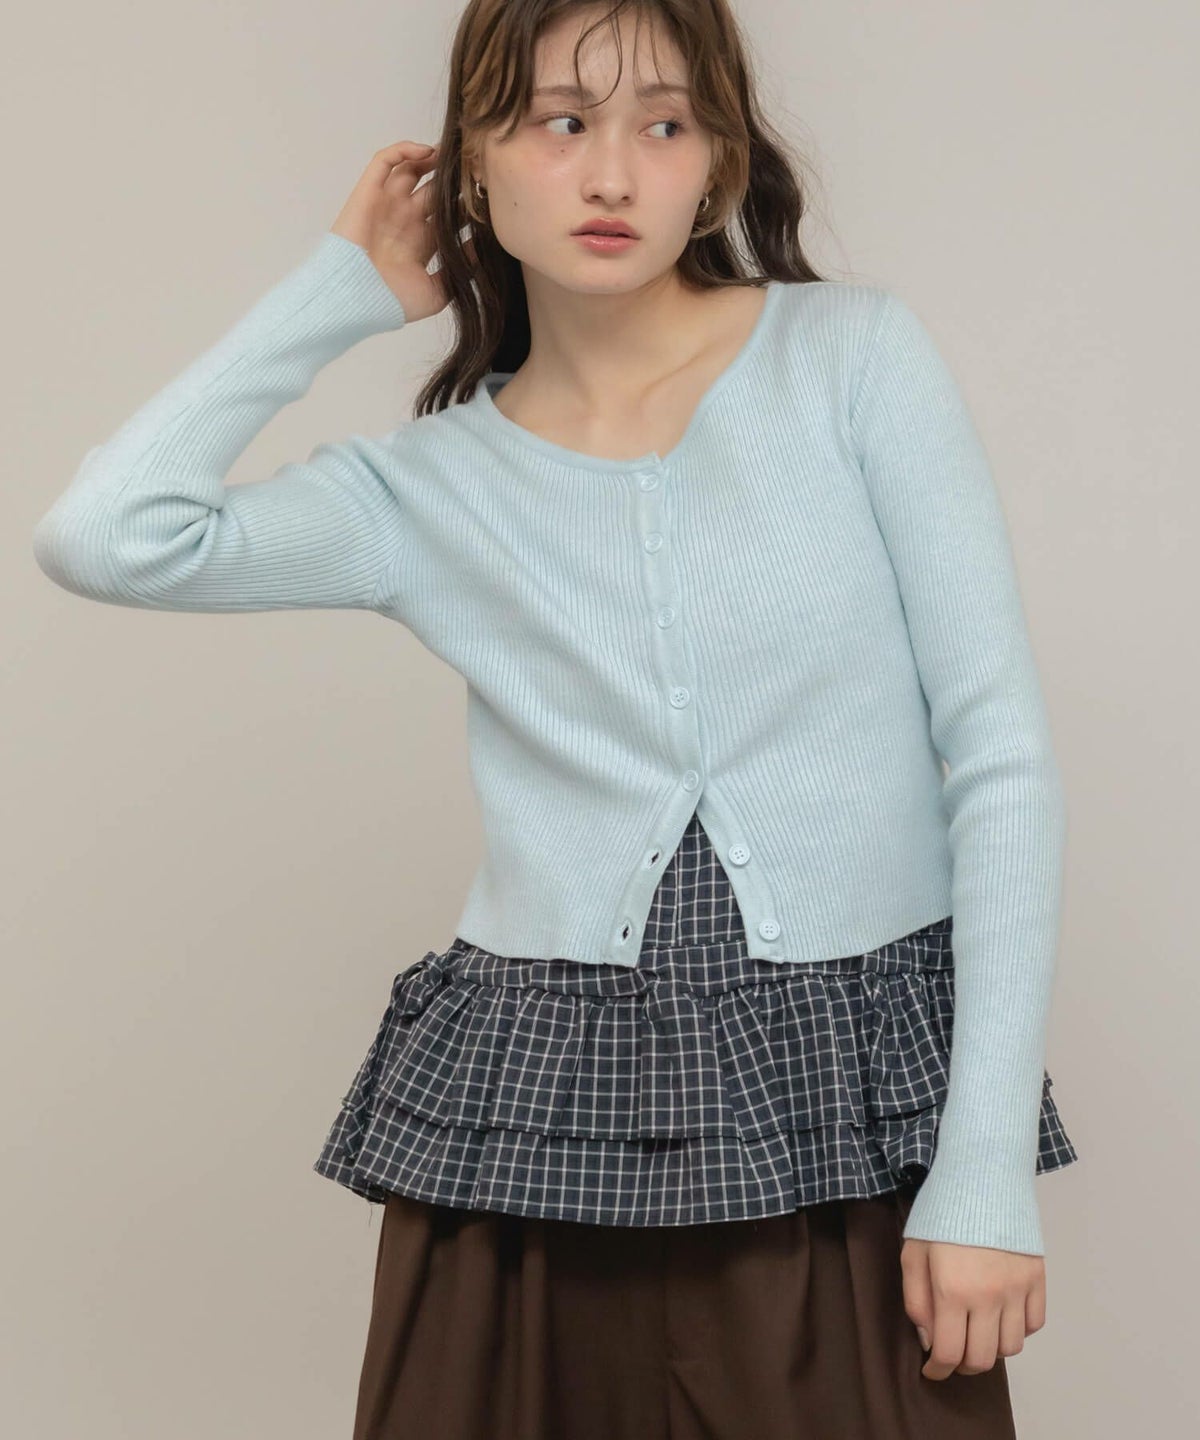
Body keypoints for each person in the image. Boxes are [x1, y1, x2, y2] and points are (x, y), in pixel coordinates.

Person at [31, 1, 1080, 1436]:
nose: (611, 174)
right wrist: (337, 291)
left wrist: (985, 1175)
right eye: (559, 122)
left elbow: (1001, 762)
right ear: (472, 160)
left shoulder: (850, 361)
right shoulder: (430, 489)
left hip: (840, 1130)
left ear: (717, 162)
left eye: (664, 124)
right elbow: (106, 535)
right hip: (530, 1142)